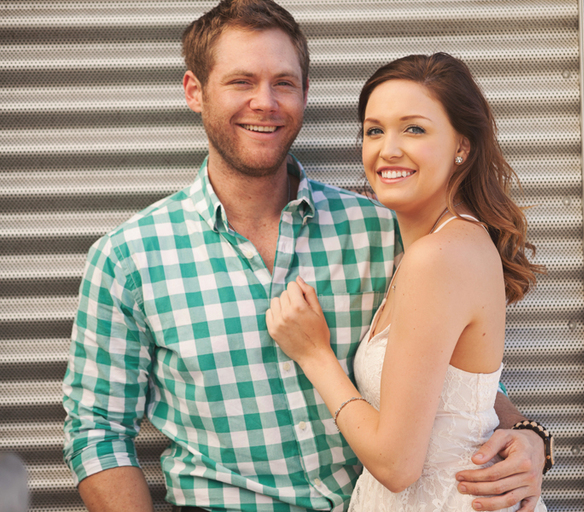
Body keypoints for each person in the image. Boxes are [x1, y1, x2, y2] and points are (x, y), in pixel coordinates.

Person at [62, 1, 550, 511]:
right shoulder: (129, 258)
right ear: (194, 92)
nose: (264, 102)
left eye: (283, 83)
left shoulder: (383, 231)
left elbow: (449, 380)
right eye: (241, 81)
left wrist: (530, 437)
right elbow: (96, 434)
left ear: (305, 94)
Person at [266, 53, 550, 511]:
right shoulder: (450, 242)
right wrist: (529, 432)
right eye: (374, 130)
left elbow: (397, 466)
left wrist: (313, 354)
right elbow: (456, 390)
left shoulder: (436, 257)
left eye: (414, 129)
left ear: (463, 145)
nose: (388, 149)